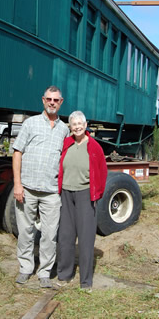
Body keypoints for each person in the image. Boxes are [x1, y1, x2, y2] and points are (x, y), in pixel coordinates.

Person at [12, 85, 69, 288]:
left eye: (56, 100)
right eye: (49, 99)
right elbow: (17, 152)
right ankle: (25, 268)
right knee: (25, 231)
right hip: (27, 188)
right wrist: (17, 184)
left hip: (51, 191)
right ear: (43, 100)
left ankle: (44, 272)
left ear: (61, 103)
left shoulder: (65, 129)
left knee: (49, 234)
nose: (52, 102)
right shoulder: (31, 124)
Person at [57, 111, 107, 292]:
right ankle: (64, 274)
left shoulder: (94, 147)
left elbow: (102, 172)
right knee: (65, 236)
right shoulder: (67, 144)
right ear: (70, 127)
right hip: (66, 194)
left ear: (86, 126)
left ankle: (86, 281)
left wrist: (96, 194)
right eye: (74, 124)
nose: (77, 126)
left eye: (80, 123)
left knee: (86, 238)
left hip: (86, 194)